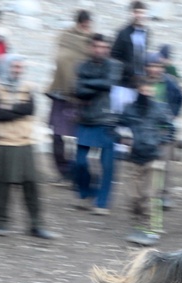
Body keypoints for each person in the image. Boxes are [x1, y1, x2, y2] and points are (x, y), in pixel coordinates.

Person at [0, 54, 57, 239]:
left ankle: (36, 225)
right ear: (6, 67)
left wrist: (10, 109)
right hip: (5, 141)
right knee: (2, 185)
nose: (17, 70)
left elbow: (31, 109)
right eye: (14, 67)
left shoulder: (28, 88)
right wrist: (17, 110)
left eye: (20, 67)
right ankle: (1, 222)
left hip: (25, 142)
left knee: (31, 184)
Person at [117, 80, 174, 246]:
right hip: (133, 157)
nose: (146, 93)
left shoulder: (160, 109)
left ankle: (151, 229)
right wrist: (123, 139)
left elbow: (170, 128)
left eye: (149, 90)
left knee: (150, 195)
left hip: (154, 157)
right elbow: (117, 127)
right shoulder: (129, 110)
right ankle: (138, 226)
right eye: (143, 89)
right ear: (138, 90)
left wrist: (159, 140)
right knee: (133, 196)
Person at [73, 33, 122, 215]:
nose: (100, 50)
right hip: (85, 117)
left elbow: (109, 84)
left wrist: (88, 82)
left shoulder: (114, 66)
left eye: (104, 47)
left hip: (107, 118)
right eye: (97, 47)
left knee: (107, 164)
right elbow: (77, 90)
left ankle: (102, 203)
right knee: (79, 162)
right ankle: (87, 193)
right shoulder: (82, 65)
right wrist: (96, 85)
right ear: (90, 47)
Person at [46, 9, 92, 185]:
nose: (87, 28)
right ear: (80, 23)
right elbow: (59, 59)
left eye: (88, 25)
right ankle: (63, 170)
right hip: (60, 91)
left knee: (80, 135)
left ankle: (75, 171)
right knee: (57, 133)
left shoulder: (92, 41)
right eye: (85, 25)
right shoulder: (65, 36)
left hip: (81, 95)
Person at [145, 51, 182, 209]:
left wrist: (172, 115)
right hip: (147, 129)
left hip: (164, 129)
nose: (155, 69)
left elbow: (180, 98)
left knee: (165, 163)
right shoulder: (143, 83)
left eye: (158, 66)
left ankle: (164, 194)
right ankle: (149, 193)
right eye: (152, 66)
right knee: (147, 163)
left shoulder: (170, 82)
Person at [110, 1, 149, 114]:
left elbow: (143, 55)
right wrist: (129, 69)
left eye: (142, 12)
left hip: (138, 84)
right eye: (136, 12)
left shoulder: (146, 33)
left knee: (134, 116)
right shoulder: (123, 33)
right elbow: (114, 56)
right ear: (131, 13)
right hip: (123, 82)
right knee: (119, 114)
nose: (139, 15)